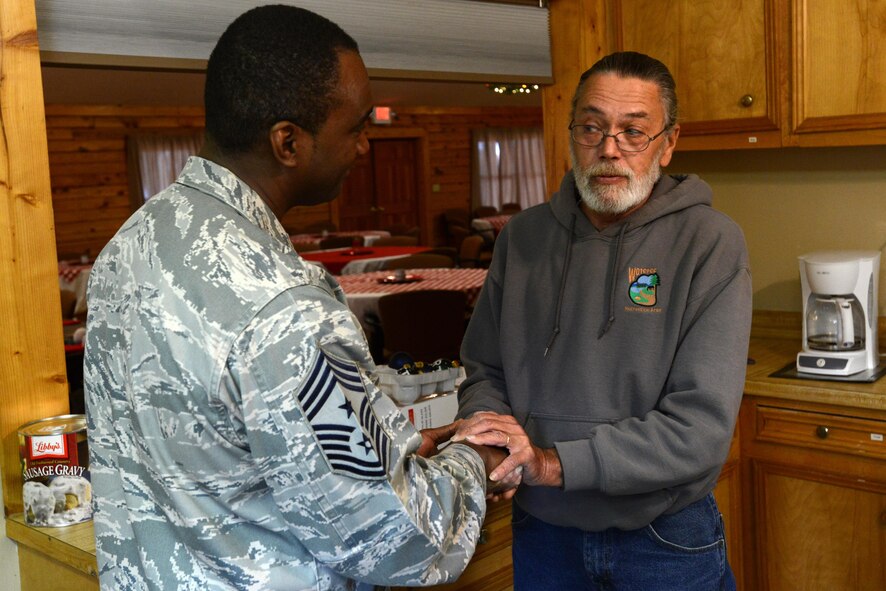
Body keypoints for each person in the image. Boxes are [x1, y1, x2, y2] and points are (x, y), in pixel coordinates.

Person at [83, 6, 513, 590]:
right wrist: (474, 462)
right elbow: (396, 541)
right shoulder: (287, 309)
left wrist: (383, 448)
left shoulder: (128, 247)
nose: (365, 145)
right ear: (288, 141)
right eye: (356, 126)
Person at [452, 51, 752, 590]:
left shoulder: (710, 242)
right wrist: (493, 437)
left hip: (663, 538)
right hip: (543, 530)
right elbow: (484, 370)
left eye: (633, 132)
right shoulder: (522, 238)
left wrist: (547, 463)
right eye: (592, 127)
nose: (609, 149)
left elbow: (699, 429)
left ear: (669, 143)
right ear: (572, 133)